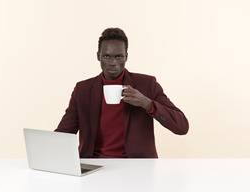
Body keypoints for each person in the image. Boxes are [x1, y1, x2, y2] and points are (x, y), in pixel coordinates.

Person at [55, 28, 189, 158]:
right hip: (94, 165)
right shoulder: (83, 89)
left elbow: (182, 127)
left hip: (137, 167)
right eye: (107, 56)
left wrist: (148, 104)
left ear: (126, 57)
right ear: (98, 56)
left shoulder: (147, 84)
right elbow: (63, 134)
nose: (112, 63)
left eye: (118, 57)